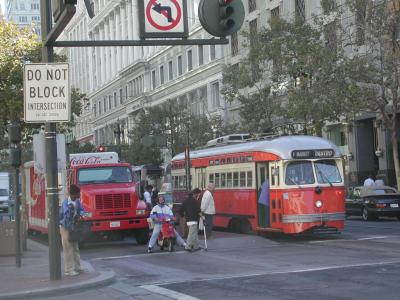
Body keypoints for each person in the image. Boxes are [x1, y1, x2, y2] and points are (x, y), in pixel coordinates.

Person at [59, 184, 85, 276]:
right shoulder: (66, 203)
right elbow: (65, 217)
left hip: (74, 227)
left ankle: (77, 267)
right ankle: (68, 270)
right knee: (68, 249)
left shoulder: (77, 202)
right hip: (65, 228)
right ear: (73, 194)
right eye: (78, 193)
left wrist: (80, 214)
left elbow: (82, 210)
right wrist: (71, 212)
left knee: (75, 247)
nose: (80, 195)